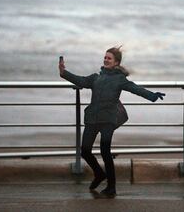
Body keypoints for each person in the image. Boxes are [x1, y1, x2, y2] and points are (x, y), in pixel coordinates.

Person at [58, 46, 165, 197]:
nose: (106, 60)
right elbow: (81, 81)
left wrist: (152, 96)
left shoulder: (119, 79)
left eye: (109, 58)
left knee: (105, 151)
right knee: (85, 151)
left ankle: (111, 187)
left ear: (116, 63)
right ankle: (99, 174)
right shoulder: (96, 77)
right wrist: (63, 73)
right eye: (105, 57)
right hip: (92, 119)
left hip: (108, 119)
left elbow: (136, 88)